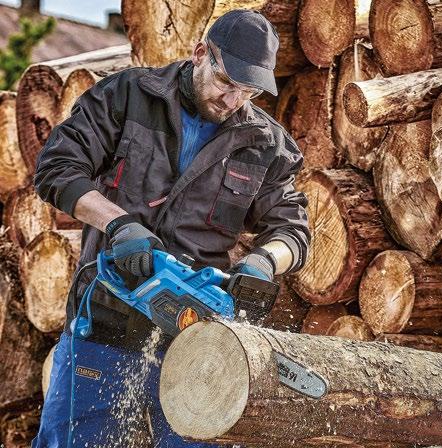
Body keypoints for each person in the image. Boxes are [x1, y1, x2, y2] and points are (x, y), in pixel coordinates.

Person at [31, 8, 311, 448]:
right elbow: (57, 168)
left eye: (248, 91)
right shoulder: (127, 95)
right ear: (201, 54)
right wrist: (119, 225)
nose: (233, 100)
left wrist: (264, 260)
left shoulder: (265, 144)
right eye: (226, 83)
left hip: (194, 343)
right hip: (105, 321)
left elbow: (293, 230)